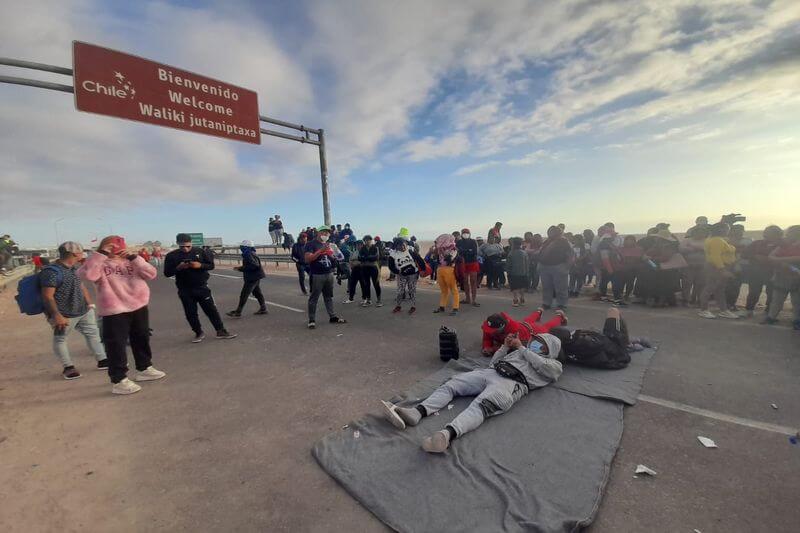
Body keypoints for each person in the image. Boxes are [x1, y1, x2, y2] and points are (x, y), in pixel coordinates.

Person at [380, 332, 562, 453]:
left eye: (542, 345)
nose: (536, 345)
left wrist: (522, 348)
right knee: (452, 384)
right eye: (536, 342)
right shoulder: (519, 353)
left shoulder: (554, 365)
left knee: (480, 407)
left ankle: (446, 435)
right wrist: (505, 347)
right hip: (491, 372)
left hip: (512, 384)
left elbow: (544, 367)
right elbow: (493, 363)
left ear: (550, 351)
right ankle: (417, 412)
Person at [79, 236, 165, 395]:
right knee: (116, 344)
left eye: (118, 246)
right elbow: (88, 275)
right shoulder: (98, 263)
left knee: (141, 337)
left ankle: (144, 367)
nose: (115, 249)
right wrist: (101, 254)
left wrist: (134, 257)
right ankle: (119, 379)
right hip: (114, 308)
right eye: (110, 246)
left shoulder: (131, 260)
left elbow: (151, 274)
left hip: (138, 304)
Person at [41, 242, 108, 380]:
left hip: (83, 310)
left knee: (93, 335)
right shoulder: (51, 272)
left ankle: (103, 360)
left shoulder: (73, 268)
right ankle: (68, 367)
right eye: (81, 252)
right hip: (63, 314)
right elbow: (47, 295)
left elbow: (80, 286)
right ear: (74, 254)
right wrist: (56, 315)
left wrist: (89, 304)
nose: (82, 254)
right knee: (60, 339)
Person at [164, 233, 237, 341]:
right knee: (190, 313)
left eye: (188, 246)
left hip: (201, 287)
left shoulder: (199, 251)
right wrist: (178, 268)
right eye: (182, 247)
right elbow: (167, 273)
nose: (185, 249)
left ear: (191, 243)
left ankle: (221, 331)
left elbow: (211, 265)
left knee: (211, 310)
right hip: (184, 289)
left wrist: (200, 265)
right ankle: (198, 332)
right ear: (177, 244)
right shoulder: (171, 256)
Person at [304, 225, 347, 329]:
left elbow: (340, 258)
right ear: (318, 233)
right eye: (323, 232)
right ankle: (312, 320)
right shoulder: (311, 244)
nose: (326, 234)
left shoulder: (330, 245)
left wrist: (334, 254)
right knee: (314, 298)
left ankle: (332, 316)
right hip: (317, 275)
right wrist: (321, 251)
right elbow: (308, 259)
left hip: (329, 274)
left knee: (328, 297)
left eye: (327, 233)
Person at [481, 307, 567, 355]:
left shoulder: (515, 333)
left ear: (501, 327)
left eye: (493, 331)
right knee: (528, 320)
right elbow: (486, 338)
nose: (489, 331)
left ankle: (560, 317)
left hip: (531, 332)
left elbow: (510, 348)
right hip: (523, 325)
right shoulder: (490, 325)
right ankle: (539, 311)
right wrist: (486, 346)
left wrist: (492, 349)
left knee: (546, 327)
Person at [698, 223, 738, 319]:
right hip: (716, 267)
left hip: (719, 266)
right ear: (721, 230)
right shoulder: (717, 240)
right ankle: (704, 310)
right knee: (710, 288)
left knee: (719, 289)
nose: (728, 231)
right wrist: (722, 270)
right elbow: (715, 256)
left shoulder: (716, 239)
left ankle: (723, 310)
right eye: (727, 228)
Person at [763, 225, 800, 328]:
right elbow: (771, 256)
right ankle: (771, 317)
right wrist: (785, 262)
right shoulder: (783, 245)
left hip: (796, 276)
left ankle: (797, 320)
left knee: (797, 301)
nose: (786, 236)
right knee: (777, 299)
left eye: (789, 234)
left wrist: (783, 260)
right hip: (782, 275)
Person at [742, 225, 782, 318]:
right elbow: (744, 254)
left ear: (778, 234)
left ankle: (769, 311)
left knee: (772, 292)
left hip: (773, 272)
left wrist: (768, 259)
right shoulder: (757, 243)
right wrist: (755, 256)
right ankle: (749, 309)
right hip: (755, 272)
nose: (767, 235)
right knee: (754, 291)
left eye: (770, 233)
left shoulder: (781, 245)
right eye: (766, 232)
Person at [226, 240, 268, 318]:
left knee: (244, 294)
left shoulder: (248, 254)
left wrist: (240, 268)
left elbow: (255, 265)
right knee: (257, 293)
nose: (241, 248)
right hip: (256, 276)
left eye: (242, 247)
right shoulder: (251, 252)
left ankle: (238, 311)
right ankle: (263, 308)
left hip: (253, 277)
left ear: (246, 247)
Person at [388, 237, 426, 314]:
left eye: (404, 245)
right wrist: (398, 271)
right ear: (396, 246)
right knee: (400, 291)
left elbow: (420, 260)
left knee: (412, 290)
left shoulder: (410, 251)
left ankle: (413, 306)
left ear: (406, 244)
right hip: (401, 275)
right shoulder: (393, 254)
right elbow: (391, 266)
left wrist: (423, 270)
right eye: (400, 246)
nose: (403, 247)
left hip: (413, 274)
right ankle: (398, 306)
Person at [538, 225, 573, 310]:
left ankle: (562, 304)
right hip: (545, 266)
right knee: (546, 287)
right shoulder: (547, 241)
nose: (550, 233)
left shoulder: (564, 242)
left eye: (552, 231)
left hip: (559, 266)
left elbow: (570, 255)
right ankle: (546, 303)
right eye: (550, 231)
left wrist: (566, 267)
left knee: (561, 288)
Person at [679, 225, 710, 306]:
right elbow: (681, 249)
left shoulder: (708, 241)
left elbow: (708, 250)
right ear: (693, 232)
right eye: (697, 232)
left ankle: (698, 299)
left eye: (702, 232)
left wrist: (692, 247)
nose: (700, 234)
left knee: (701, 284)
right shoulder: (686, 240)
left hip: (703, 266)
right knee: (687, 283)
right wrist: (699, 249)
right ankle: (686, 300)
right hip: (689, 265)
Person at [725, 225, 752, 312]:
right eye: (736, 230)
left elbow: (748, 252)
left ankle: (732, 304)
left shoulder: (748, 240)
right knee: (728, 285)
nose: (738, 232)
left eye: (740, 230)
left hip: (743, 265)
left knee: (736, 286)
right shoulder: (726, 240)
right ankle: (726, 304)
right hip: (729, 265)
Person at [433, 233, 459, 315]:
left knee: (453, 290)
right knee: (444, 291)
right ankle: (442, 307)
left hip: (449, 270)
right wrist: (437, 250)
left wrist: (441, 250)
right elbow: (435, 258)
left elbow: (449, 259)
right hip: (440, 269)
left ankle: (455, 308)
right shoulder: (440, 249)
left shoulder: (453, 249)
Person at [456, 228, 481, 307]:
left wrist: (464, 251)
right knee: (465, 281)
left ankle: (474, 300)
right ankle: (468, 299)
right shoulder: (459, 242)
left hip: (472, 263)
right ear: (461, 234)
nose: (465, 234)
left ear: (469, 233)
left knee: (473, 281)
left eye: (467, 232)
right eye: (464, 233)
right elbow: (458, 252)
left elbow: (474, 252)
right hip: (463, 263)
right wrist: (468, 251)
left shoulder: (473, 241)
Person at [357, 235, 383, 307]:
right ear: (364, 241)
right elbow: (359, 258)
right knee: (366, 285)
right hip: (364, 268)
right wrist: (369, 257)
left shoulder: (375, 248)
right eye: (365, 240)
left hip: (374, 268)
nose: (367, 241)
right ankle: (368, 300)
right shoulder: (362, 248)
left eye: (368, 240)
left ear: (371, 240)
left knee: (376, 284)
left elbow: (376, 257)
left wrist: (365, 257)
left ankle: (379, 300)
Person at [617, 235, 643, 302]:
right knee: (621, 283)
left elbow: (641, 259)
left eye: (631, 240)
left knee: (630, 283)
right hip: (622, 269)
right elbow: (618, 259)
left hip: (633, 270)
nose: (629, 241)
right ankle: (620, 295)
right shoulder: (620, 249)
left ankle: (627, 295)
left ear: (634, 241)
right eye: (627, 240)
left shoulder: (639, 249)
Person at [506, 237, 529, 306]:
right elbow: (527, 264)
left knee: (515, 287)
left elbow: (508, 264)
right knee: (522, 286)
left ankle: (515, 300)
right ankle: (522, 299)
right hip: (523, 273)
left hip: (513, 273)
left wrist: (508, 272)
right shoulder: (524, 253)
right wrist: (527, 272)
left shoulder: (511, 253)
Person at [342, 235, 363, 304]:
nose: (358, 246)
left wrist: (356, 263)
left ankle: (365, 298)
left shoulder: (364, 252)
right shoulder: (354, 252)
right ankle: (351, 298)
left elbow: (364, 261)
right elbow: (350, 260)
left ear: (362, 245)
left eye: (359, 244)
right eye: (357, 245)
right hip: (354, 270)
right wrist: (352, 264)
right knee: (352, 284)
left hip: (362, 270)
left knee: (363, 285)